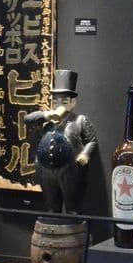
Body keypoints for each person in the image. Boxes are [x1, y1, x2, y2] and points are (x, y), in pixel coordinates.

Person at [25, 69, 99, 215]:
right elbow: (27, 119)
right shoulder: (45, 120)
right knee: (52, 208)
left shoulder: (80, 120)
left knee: (73, 208)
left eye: (64, 101)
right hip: (46, 169)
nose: (60, 104)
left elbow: (92, 140)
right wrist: (46, 114)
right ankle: (53, 226)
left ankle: (74, 230)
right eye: (56, 101)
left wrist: (85, 154)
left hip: (70, 169)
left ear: (73, 102)